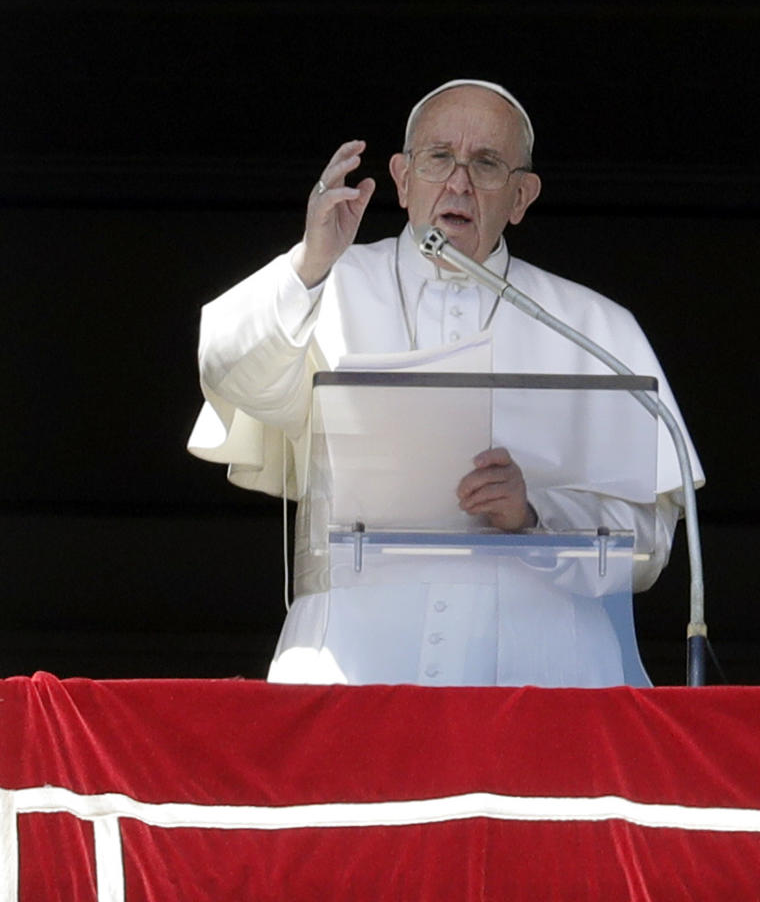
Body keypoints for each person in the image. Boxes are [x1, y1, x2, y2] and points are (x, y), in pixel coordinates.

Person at [189, 80, 703, 687]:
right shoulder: (325, 283)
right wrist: (309, 262)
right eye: (439, 159)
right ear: (403, 179)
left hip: (543, 676)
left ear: (521, 196)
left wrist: (536, 513)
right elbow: (229, 370)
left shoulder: (594, 327)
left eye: (486, 163)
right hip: (350, 664)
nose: (458, 183)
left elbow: (649, 544)